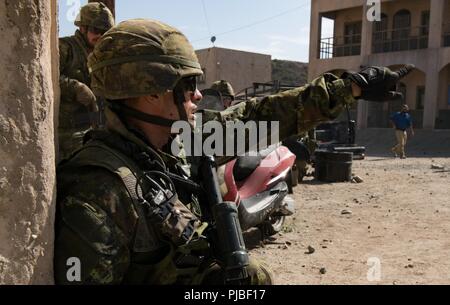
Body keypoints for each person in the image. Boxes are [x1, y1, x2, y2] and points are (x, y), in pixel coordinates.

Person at [54, 18, 412, 284]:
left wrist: (350, 89)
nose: (197, 95)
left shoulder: (181, 141)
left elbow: (261, 116)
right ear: (150, 92)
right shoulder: (99, 191)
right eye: (188, 84)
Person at [58, 2, 114, 160]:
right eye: (96, 30)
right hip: (67, 132)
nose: (100, 36)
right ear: (83, 28)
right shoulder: (65, 47)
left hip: (94, 129)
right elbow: (47, 78)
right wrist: (75, 87)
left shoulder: (103, 55)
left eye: (105, 32)